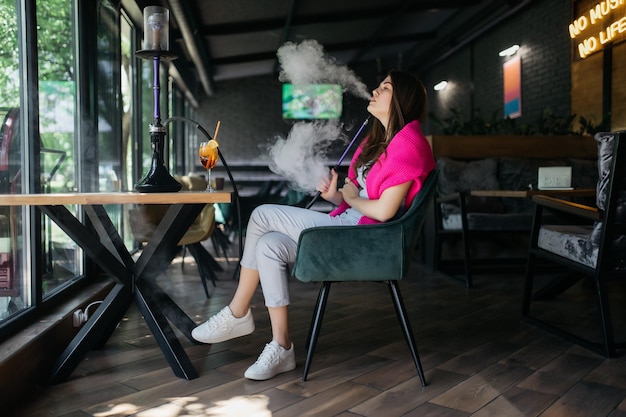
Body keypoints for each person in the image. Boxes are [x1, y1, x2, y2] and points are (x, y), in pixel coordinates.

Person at [191, 69, 436, 381]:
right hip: (352, 226)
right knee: (268, 247)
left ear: (403, 98)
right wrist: (337, 195)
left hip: (368, 240)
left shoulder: (410, 144)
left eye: (385, 87)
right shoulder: (376, 141)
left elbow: (384, 212)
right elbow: (357, 203)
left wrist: (349, 195)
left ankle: (238, 312)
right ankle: (282, 347)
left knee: (262, 215)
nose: (375, 89)